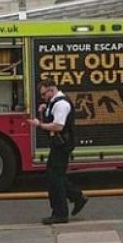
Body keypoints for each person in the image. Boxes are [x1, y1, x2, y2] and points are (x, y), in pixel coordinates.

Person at [29, 78, 87, 224]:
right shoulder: (54, 102)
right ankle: (77, 197)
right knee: (54, 176)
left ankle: (61, 214)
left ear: (51, 89)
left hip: (62, 145)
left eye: (44, 94)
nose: (43, 97)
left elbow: (58, 126)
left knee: (55, 178)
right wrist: (45, 108)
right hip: (59, 144)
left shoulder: (61, 104)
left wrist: (40, 124)